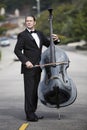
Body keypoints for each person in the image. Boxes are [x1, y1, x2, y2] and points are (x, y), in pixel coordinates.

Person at [14, 15, 59, 122]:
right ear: (25, 23)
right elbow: (17, 50)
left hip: (39, 67)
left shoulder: (39, 34)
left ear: (35, 22)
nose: (28, 22)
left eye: (30, 21)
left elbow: (49, 45)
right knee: (29, 91)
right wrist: (26, 61)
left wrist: (57, 40)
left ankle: (32, 112)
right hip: (29, 68)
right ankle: (29, 115)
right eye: (27, 21)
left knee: (35, 91)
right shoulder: (22, 35)